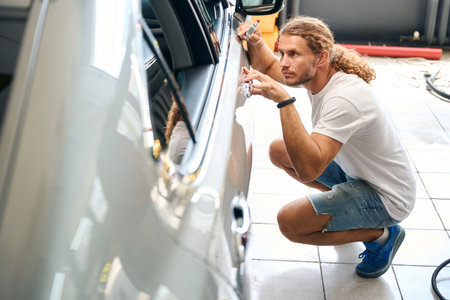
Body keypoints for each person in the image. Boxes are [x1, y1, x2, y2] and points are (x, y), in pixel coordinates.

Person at [237, 16, 416, 278]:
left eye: (294, 54)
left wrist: (285, 102)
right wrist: (255, 42)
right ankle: (352, 212)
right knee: (280, 150)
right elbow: (269, 67)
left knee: (290, 223)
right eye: (282, 52)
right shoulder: (320, 74)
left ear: (321, 58)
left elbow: (308, 169)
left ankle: (382, 234)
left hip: (387, 196)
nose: (284, 62)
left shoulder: (344, 97)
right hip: (360, 174)